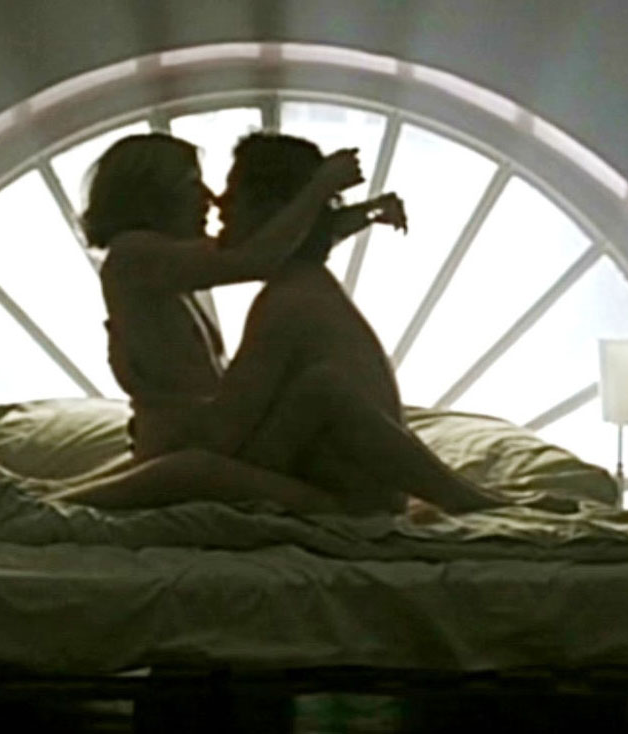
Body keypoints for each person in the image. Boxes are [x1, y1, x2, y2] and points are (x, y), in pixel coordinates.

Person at [192, 132, 576, 515]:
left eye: (234, 193)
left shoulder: (291, 298)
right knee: (320, 387)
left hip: (350, 491)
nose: (220, 205)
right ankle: (467, 497)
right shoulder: (301, 285)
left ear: (274, 211)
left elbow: (226, 432)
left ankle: (471, 499)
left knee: (322, 388)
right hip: (346, 483)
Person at [31, 132, 387, 512]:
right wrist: (320, 187)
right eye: (191, 184)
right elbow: (255, 257)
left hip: (200, 442)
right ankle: (35, 505)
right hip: (183, 449)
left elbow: (272, 245)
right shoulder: (134, 255)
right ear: (152, 194)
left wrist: (356, 217)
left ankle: (39, 496)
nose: (210, 197)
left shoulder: (164, 261)